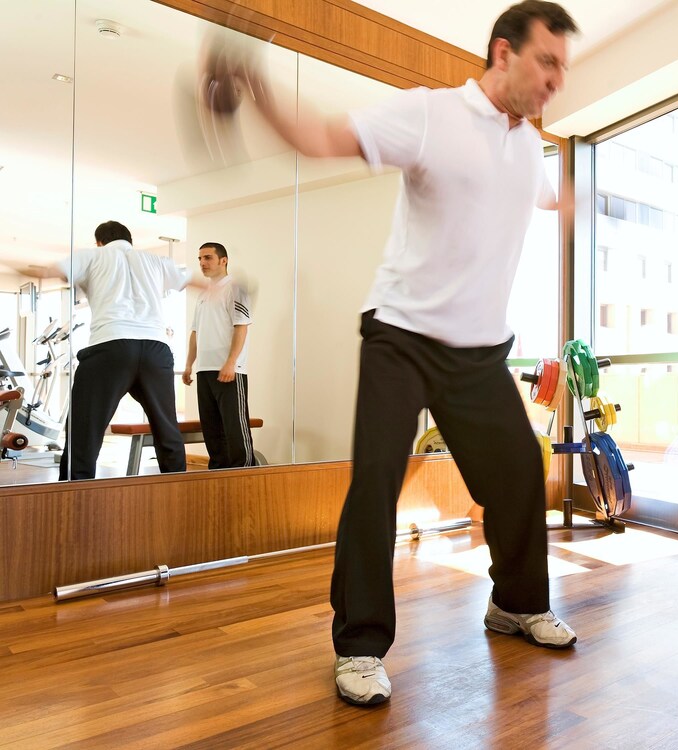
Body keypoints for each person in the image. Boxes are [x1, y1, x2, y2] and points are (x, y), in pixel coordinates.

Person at [213, 0, 579, 706]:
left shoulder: (529, 145)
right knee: (376, 486)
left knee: (517, 475)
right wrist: (255, 89)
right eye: (547, 62)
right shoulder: (431, 114)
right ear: (504, 53)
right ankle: (359, 645)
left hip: (479, 351)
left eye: (563, 67)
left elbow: (534, 196)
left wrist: (567, 206)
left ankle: (515, 604)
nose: (556, 79)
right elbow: (323, 137)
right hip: (401, 337)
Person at [45, 221, 192, 480]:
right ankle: (179, 488)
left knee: (85, 428)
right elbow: (192, 280)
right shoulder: (153, 260)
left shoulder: (95, 255)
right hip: (156, 349)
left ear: (99, 242)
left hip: (111, 346)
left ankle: (74, 492)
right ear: (130, 240)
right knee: (166, 426)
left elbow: (57, 270)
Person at [182, 242, 255, 469]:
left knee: (234, 428)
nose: (202, 263)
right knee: (212, 430)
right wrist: (189, 364)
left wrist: (231, 363)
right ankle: (218, 474)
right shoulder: (204, 294)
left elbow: (241, 327)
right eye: (200, 259)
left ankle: (244, 474)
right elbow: (195, 332)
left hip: (229, 370)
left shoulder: (235, 289)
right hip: (204, 370)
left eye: (208, 258)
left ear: (223, 261)